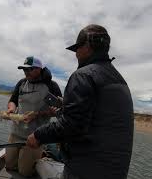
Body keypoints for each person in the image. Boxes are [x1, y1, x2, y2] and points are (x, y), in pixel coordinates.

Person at [26, 24, 134, 179]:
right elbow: (96, 121)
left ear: (87, 46)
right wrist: (64, 111)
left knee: (41, 164)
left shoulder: (83, 75)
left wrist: (37, 135)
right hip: (115, 172)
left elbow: (72, 126)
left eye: (77, 48)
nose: (76, 53)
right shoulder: (120, 81)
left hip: (83, 171)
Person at [6, 56, 62, 177]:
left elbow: (59, 110)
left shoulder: (52, 86)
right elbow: (13, 100)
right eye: (24, 70)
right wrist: (11, 109)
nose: (26, 72)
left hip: (35, 136)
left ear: (39, 69)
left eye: (30, 69)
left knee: (24, 172)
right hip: (16, 132)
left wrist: (41, 113)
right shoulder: (21, 83)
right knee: (9, 165)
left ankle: (44, 156)